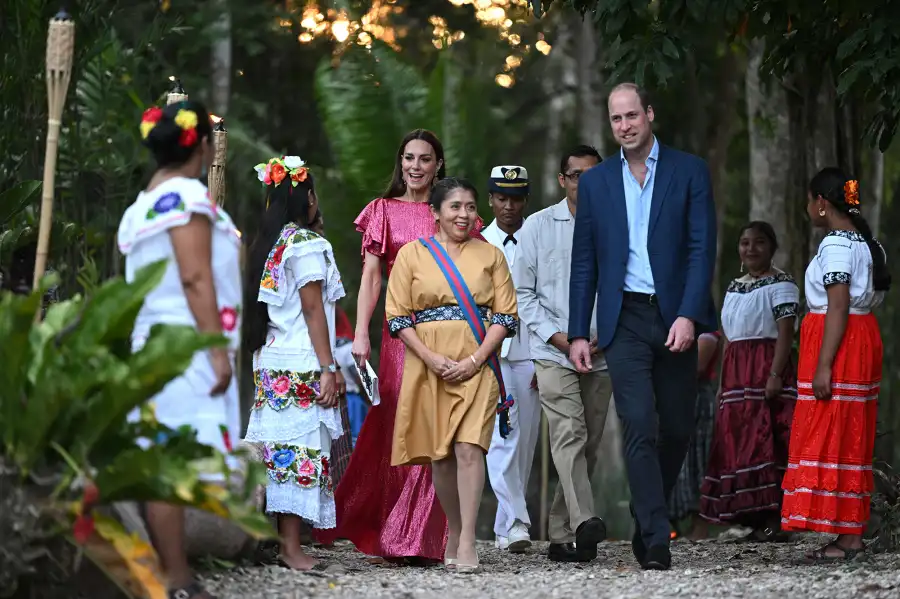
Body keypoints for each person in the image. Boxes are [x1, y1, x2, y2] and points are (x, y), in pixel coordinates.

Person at [568, 83, 717, 571]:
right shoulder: (596, 183)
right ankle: (656, 537)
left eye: (633, 115)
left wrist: (689, 315)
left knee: (675, 427)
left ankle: (644, 506)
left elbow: (702, 248)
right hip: (623, 319)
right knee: (638, 424)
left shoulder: (689, 171)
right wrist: (576, 331)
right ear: (610, 124)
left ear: (649, 114)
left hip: (675, 314)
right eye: (617, 119)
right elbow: (584, 260)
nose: (625, 126)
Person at [317, 130, 482, 563]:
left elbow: (475, 266)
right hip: (400, 335)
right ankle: (397, 529)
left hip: (450, 334)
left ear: (438, 164)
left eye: (424, 159)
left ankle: (431, 537)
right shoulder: (383, 211)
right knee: (401, 425)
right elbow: (372, 277)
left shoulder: (451, 212)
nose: (415, 166)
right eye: (408, 158)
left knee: (443, 426)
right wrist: (361, 334)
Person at [117, 101, 242, 599]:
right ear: (204, 147)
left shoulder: (141, 204)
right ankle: (175, 577)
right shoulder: (185, 198)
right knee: (171, 461)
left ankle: (172, 572)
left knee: (163, 456)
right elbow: (195, 277)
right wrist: (214, 348)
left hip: (155, 342)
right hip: (186, 343)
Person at [385, 177, 519, 573]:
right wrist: (430, 357)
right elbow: (396, 316)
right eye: (455, 206)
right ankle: (455, 529)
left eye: (470, 206)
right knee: (440, 456)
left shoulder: (491, 255)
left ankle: (467, 542)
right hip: (429, 367)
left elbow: (506, 315)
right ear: (436, 213)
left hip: (478, 364)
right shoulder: (412, 254)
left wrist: (476, 359)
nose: (464, 214)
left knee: (468, 448)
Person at [242, 156, 346, 570]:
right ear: (309, 197)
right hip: (301, 360)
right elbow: (313, 309)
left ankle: (274, 541)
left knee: (278, 449)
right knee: (297, 450)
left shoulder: (271, 243)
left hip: (273, 359)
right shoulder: (305, 244)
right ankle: (290, 548)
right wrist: (328, 367)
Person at [782, 169, 889, 563]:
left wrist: (824, 364)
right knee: (849, 432)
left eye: (811, 200)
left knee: (834, 429)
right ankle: (849, 534)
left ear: (821, 204)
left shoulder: (837, 246)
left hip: (839, 343)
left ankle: (847, 537)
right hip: (858, 339)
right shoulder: (866, 242)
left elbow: (838, 304)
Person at [515, 144, 613, 563]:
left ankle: (560, 533)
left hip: (602, 349)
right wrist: (561, 339)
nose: (584, 183)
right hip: (552, 350)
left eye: (593, 175)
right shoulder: (537, 226)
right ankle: (585, 520)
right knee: (568, 434)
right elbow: (523, 293)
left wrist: (602, 337)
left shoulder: (617, 225)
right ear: (562, 180)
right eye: (576, 175)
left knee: (587, 443)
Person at [699, 222, 798, 540]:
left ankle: (776, 518)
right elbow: (728, 339)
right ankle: (754, 519)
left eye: (758, 243)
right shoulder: (734, 287)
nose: (751, 249)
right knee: (737, 443)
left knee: (766, 443)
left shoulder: (782, 284)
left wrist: (774, 375)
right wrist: (722, 386)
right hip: (737, 375)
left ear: (772, 247)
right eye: (744, 243)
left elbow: (785, 333)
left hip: (765, 367)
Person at [480, 165, 541, 553]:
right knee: (501, 437)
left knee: (526, 441)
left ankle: (505, 527)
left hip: (533, 349)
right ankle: (518, 520)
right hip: (491, 351)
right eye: (501, 197)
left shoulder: (538, 237)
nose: (508, 205)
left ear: (525, 200)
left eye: (515, 197)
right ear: (490, 199)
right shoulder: (477, 241)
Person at [668, 329, 721, 540]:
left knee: (699, 463)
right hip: (678, 400)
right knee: (680, 464)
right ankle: (678, 523)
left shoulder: (707, 335)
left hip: (697, 401)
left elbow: (697, 368)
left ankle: (701, 525)